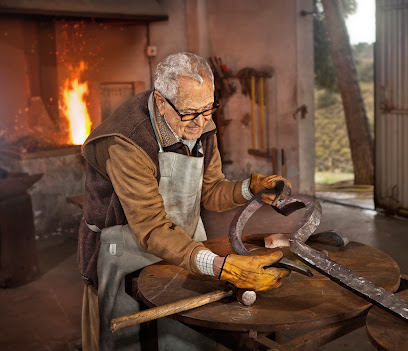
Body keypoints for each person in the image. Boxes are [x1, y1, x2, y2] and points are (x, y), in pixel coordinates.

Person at [77, 52, 291, 350]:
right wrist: (220, 266)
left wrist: (250, 188)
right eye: (190, 112)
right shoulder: (127, 142)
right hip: (125, 249)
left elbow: (211, 191)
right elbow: (151, 229)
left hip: (182, 242)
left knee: (188, 334)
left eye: (208, 108)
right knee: (124, 339)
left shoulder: (202, 125)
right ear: (161, 102)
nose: (201, 122)